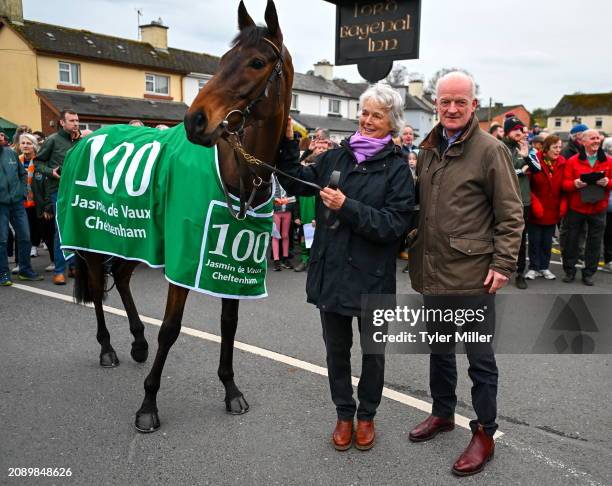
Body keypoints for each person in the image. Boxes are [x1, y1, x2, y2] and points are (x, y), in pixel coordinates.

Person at [277, 84, 414, 452]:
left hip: (372, 278)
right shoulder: (335, 158)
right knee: (335, 351)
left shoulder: (398, 169)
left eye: (377, 116)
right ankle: (343, 412)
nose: (368, 121)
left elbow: (393, 226)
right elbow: (293, 181)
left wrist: (346, 206)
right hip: (333, 273)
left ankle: (366, 416)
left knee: (373, 354)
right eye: (365, 113)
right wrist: (289, 141)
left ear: (391, 123)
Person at [408, 71, 523, 477]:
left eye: (460, 101)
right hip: (432, 273)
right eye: (445, 102)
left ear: (474, 105)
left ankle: (484, 432)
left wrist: (502, 264)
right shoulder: (427, 149)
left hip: (473, 277)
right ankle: (442, 413)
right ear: (436, 105)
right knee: (439, 352)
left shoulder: (491, 150)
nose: (452, 109)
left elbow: (511, 214)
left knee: (479, 361)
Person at [35, 109, 80, 285]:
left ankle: (74, 265)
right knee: (60, 231)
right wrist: (51, 172)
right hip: (58, 191)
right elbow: (38, 162)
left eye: (77, 120)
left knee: (76, 228)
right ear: (62, 122)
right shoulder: (52, 140)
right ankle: (59, 271)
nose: (76, 123)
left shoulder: (80, 141)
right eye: (72, 120)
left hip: (77, 191)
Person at [561, 129, 612, 285]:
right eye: (592, 138)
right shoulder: (572, 161)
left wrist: (608, 183)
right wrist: (574, 184)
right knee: (572, 241)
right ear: (583, 142)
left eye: (598, 138)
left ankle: (588, 273)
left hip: (598, 208)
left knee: (594, 242)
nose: (596, 141)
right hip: (577, 208)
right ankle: (569, 271)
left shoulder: (609, 161)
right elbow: (564, 184)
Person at [0, 143, 44, 286]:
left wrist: (23, 191)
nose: (2, 137)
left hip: (17, 203)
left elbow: (22, 173)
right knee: (2, 240)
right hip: (1, 205)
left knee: (25, 236)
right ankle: (3, 274)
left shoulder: (10, 153)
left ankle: (25, 270)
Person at [525, 135, 566, 280]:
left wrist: (563, 204)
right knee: (535, 241)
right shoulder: (535, 160)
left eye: (560, 147)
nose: (558, 150)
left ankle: (544, 267)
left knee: (547, 242)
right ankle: (533, 268)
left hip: (552, 210)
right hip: (537, 209)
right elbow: (526, 185)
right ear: (546, 148)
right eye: (555, 147)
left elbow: (564, 188)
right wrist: (534, 202)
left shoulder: (562, 163)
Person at [503, 115, 533, 289]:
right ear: (507, 132)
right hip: (503, 200)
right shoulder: (500, 147)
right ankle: (500, 269)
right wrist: (519, 170)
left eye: (521, 129)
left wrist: (526, 156)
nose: (519, 133)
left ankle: (520, 273)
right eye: (515, 129)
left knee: (521, 239)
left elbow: (536, 169)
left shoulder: (526, 148)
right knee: (500, 237)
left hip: (523, 201)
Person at [271, 176, 295, 271]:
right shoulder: (272, 178)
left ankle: (285, 258)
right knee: (276, 235)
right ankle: (276, 260)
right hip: (276, 211)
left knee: (285, 235)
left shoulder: (288, 178)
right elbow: (268, 195)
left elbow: (294, 197)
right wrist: (275, 200)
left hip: (287, 211)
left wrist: (287, 200)